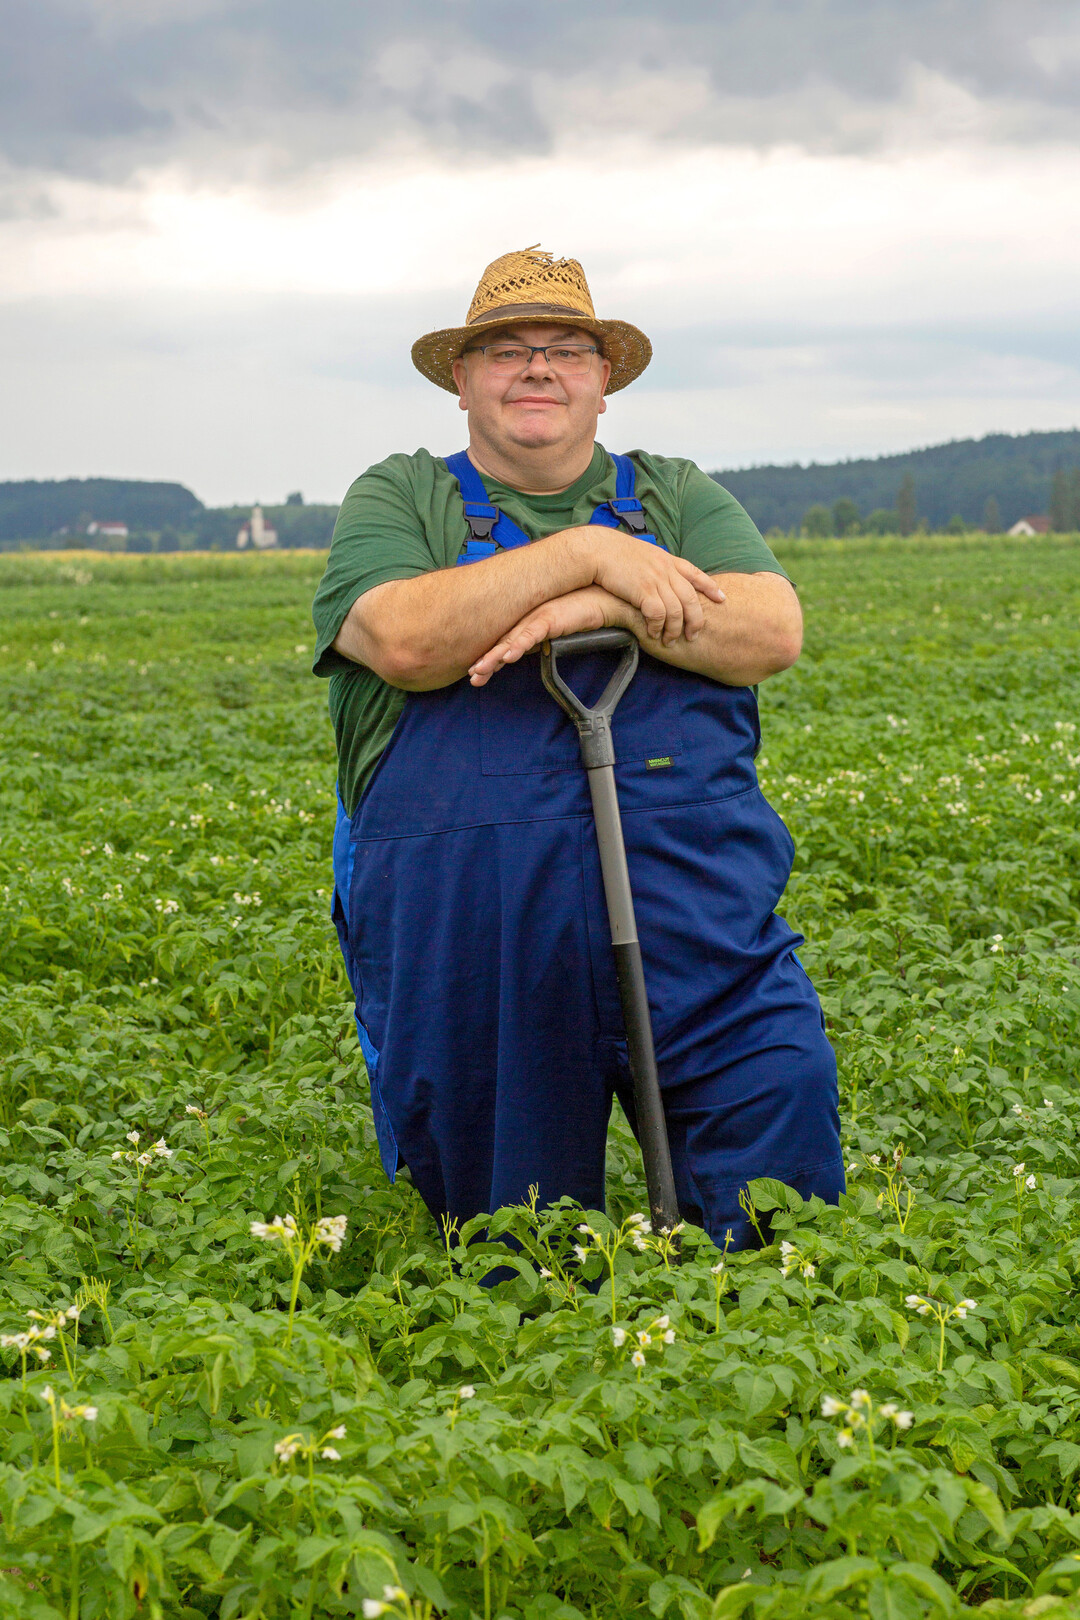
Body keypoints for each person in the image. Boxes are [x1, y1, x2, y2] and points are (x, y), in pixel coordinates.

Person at [312, 245, 843, 1248]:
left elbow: (770, 630)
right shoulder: (402, 500)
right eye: (506, 350)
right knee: (507, 1255)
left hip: (700, 924)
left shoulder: (675, 495)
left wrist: (605, 600)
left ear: (605, 384)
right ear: (462, 382)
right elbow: (407, 639)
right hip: (481, 947)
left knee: (781, 1145)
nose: (538, 368)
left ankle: (765, 1378)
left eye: (564, 349)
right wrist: (598, 557)